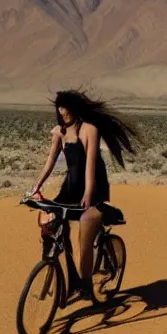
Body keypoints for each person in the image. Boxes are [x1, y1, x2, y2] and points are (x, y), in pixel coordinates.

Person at [30, 89, 140, 299]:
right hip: (70, 188)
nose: (64, 118)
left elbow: (90, 163)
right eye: (61, 115)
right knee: (52, 225)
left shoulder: (89, 129)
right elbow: (50, 162)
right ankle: (67, 280)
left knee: (85, 236)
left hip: (94, 186)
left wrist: (90, 192)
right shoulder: (59, 132)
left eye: (67, 114)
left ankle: (87, 286)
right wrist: (36, 187)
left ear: (74, 110)